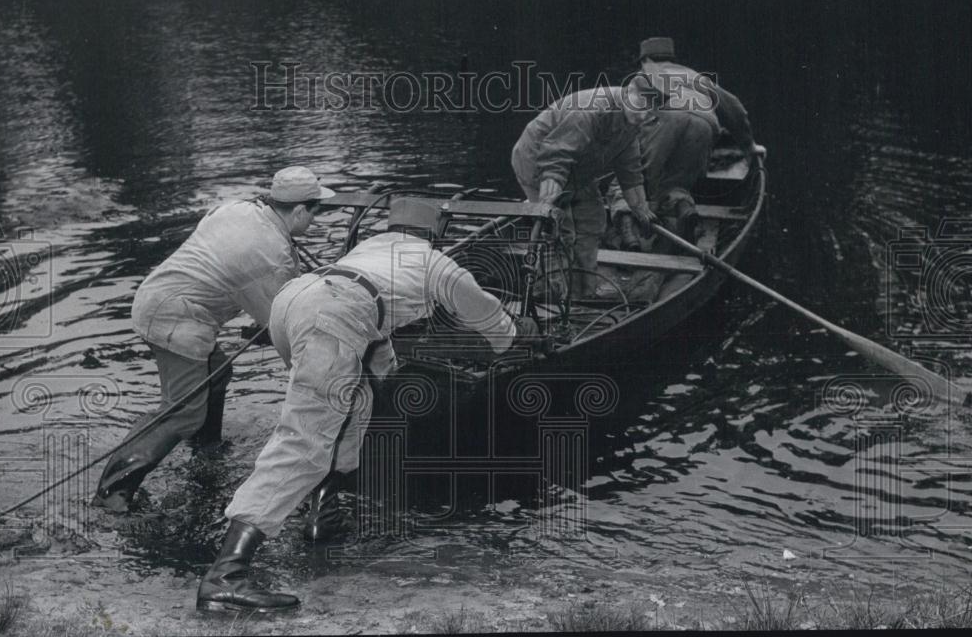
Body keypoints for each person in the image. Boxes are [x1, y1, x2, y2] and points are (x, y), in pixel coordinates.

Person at [196, 197, 540, 614]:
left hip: (293, 302)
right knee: (304, 440)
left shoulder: (370, 250)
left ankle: (324, 515)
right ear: (434, 233)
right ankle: (226, 577)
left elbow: (373, 317)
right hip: (331, 315)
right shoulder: (434, 262)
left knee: (354, 406)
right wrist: (517, 331)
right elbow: (488, 319)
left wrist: (386, 371)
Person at [91, 167, 335, 513]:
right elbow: (284, 325)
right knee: (182, 411)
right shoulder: (270, 256)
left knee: (216, 372)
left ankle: (206, 449)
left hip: (158, 297)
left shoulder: (239, 208)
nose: (315, 221)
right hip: (175, 319)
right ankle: (112, 493)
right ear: (298, 211)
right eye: (315, 212)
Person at [510, 82, 658, 298]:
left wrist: (640, 208)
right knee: (560, 230)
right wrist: (548, 204)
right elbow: (555, 157)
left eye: (650, 110)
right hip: (537, 161)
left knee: (594, 219)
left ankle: (583, 293)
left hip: (579, 168)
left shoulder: (632, 122)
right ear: (628, 93)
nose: (644, 115)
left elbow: (630, 171)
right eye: (641, 105)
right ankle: (554, 298)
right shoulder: (590, 111)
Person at [608, 36, 756, 248]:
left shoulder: (643, 76)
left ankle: (627, 229)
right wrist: (748, 147)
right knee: (675, 183)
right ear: (672, 58)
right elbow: (735, 109)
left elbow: (623, 119)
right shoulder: (697, 77)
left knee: (625, 179)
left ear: (645, 59)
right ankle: (685, 209)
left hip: (664, 119)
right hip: (704, 125)